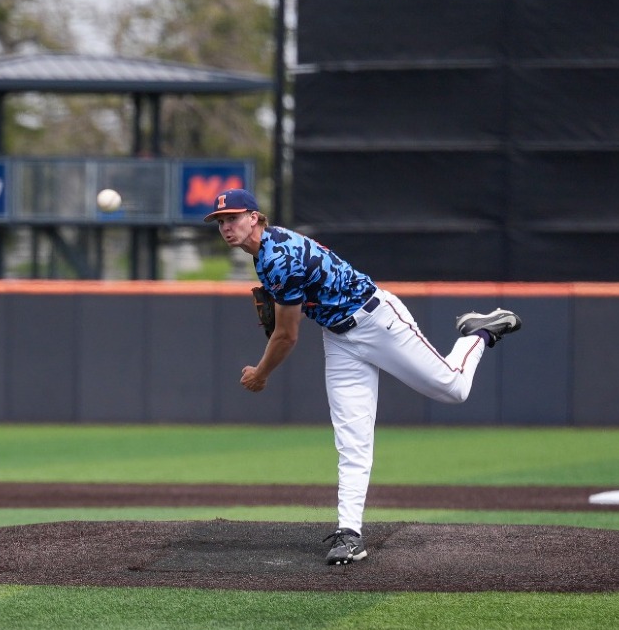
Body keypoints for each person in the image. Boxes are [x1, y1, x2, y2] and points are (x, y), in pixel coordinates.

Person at [211, 189, 522, 565]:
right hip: (339, 338)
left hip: (377, 320)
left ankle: (479, 332)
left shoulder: (277, 257)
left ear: (256, 218)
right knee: (352, 439)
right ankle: (349, 533)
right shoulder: (266, 252)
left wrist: (261, 373)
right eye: (221, 221)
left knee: (453, 388)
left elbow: (287, 335)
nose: (227, 226)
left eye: (234, 217)